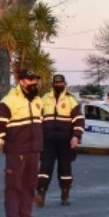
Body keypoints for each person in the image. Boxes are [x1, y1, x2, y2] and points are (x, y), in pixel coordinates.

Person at [0, 69, 47, 217]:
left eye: (35, 80)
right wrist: (10, 142)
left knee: (29, 186)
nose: (34, 83)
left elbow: (40, 122)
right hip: (17, 151)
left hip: (34, 150)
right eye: (31, 80)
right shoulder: (8, 101)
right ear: (21, 81)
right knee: (14, 185)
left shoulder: (38, 101)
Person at [35, 74, 84, 207]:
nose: (58, 85)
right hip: (48, 140)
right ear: (53, 84)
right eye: (56, 83)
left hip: (65, 141)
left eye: (60, 83)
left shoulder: (70, 100)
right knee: (45, 168)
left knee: (65, 168)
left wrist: (76, 136)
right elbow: (37, 119)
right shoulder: (44, 98)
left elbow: (79, 120)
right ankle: (41, 194)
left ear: (64, 84)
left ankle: (65, 195)